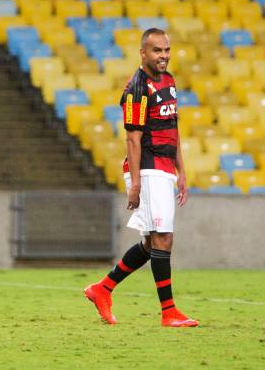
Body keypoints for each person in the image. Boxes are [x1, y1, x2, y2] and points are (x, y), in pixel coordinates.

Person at [84, 28, 197, 328]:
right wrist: (135, 184)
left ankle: (102, 289)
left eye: (166, 50)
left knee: (150, 243)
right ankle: (169, 312)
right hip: (147, 168)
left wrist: (181, 171)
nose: (164, 55)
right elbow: (132, 140)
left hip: (164, 168)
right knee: (163, 238)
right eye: (157, 50)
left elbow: (173, 128)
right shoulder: (137, 88)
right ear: (143, 53)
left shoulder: (169, 81)